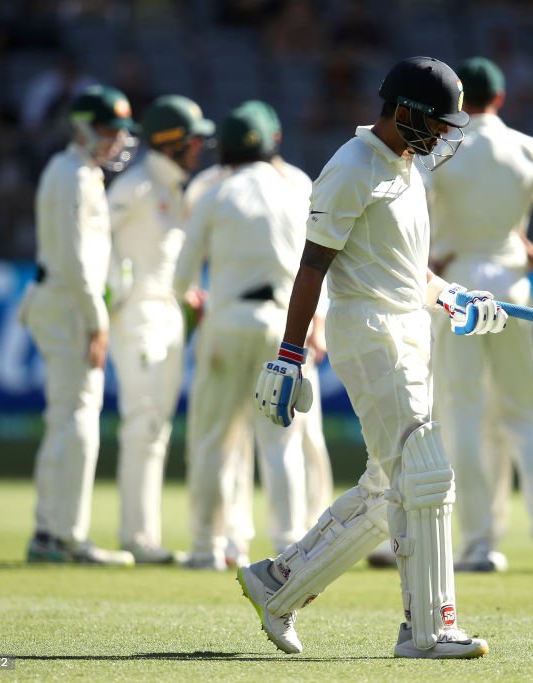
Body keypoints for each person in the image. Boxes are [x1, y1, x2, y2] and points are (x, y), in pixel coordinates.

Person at [242, 56, 504, 659]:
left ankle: (278, 583)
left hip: (410, 326)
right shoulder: (351, 167)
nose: (444, 134)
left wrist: (454, 297)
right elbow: (313, 264)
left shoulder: (406, 167)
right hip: (370, 331)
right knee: (425, 472)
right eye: (437, 122)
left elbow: (406, 269)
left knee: (389, 487)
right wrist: (289, 353)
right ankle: (427, 631)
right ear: (404, 112)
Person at [425, 56, 533, 573]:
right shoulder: (527, 146)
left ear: (458, 101)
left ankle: (481, 544)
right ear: (499, 99)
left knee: (463, 411)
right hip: (512, 281)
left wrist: (426, 261)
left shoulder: (442, 145)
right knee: (523, 414)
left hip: (457, 283)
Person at [184, 100, 334, 567]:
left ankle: (207, 548)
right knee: (281, 443)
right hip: (283, 327)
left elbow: (181, 277)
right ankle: (290, 548)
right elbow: (318, 266)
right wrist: (317, 326)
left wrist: (197, 306)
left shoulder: (214, 193)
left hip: (228, 322)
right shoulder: (298, 189)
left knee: (214, 439)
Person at [20, 85, 138, 565]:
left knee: (66, 420)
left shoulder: (77, 172)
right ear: (84, 127)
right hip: (69, 307)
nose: (116, 141)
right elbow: (74, 259)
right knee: (77, 423)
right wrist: (98, 321)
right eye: (109, 130)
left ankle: (50, 532)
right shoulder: (71, 174)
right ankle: (64, 536)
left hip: (64, 302)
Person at [106, 94, 214, 564]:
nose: (200, 149)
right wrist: (120, 294)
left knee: (157, 428)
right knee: (143, 425)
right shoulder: (136, 187)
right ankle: (136, 537)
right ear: (171, 143)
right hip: (141, 319)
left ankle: (142, 534)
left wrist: (185, 295)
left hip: (168, 317)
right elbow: (98, 241)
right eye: (193, 141)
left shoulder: (171, 186)